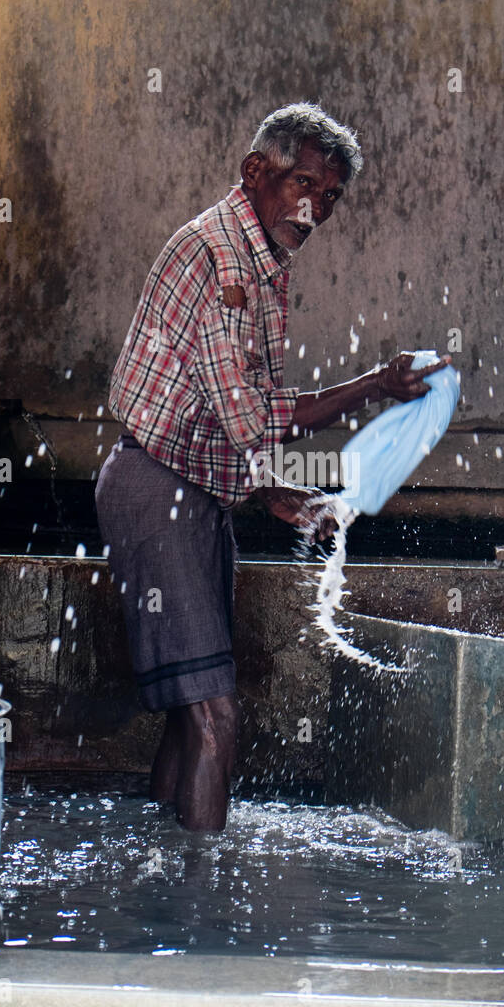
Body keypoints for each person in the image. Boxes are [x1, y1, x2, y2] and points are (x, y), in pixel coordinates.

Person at [95, 102, 450, 831]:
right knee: (216, 717)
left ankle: (165, 879)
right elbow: (252, 418)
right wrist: (373, 389)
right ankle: (203, 906)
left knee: (188, 715)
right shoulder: (219, 258)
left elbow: (235, 410)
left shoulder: (261, 261)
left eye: (328, 198)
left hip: (191, 495)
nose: (313, 208)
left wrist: (265, 487)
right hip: (156, 491)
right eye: (302, 184)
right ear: (255, 172)